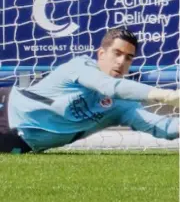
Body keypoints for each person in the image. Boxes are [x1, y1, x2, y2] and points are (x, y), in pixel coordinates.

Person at [0, 28, 179, 153]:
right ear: (101, 54)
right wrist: (168, 96)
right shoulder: (80, 67)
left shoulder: (122, 106)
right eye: (117, 53)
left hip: (19, 142)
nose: (121, 62)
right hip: (6, 106)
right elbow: (109, 86)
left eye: (128, 58)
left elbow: (164, 127)